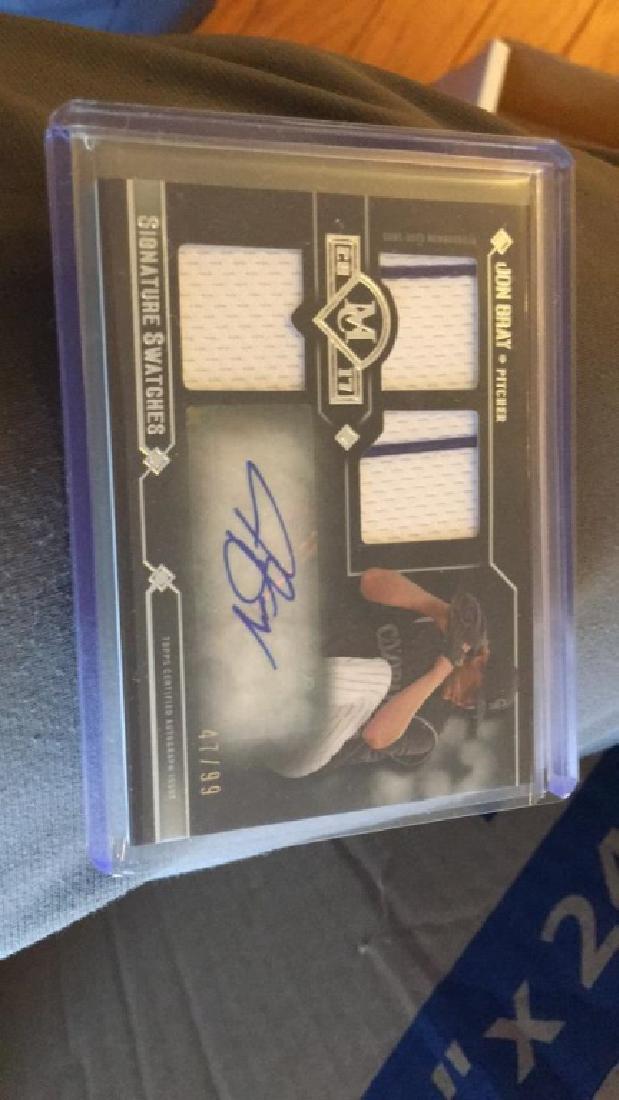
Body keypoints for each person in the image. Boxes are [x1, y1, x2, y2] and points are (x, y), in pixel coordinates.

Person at [0, 11, 616, 960]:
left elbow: (375, 739)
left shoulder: (452, 715)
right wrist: (444, 620)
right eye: (480, 666)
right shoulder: (480, 629)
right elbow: (378, 580)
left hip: (272, 714)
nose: (475, 666)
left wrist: (441, 669)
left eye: (478, 676)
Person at [270, 570, 492, 777]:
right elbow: (370, 580)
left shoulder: (429, 729)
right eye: (474, 692)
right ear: (480, 659)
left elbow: (375, 736)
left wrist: (443, 668)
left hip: (303, 744)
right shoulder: (429, 628)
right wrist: (437, 609)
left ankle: (272, 686)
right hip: (295, 671)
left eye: (473, 706)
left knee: (380, 676)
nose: (467, 703)